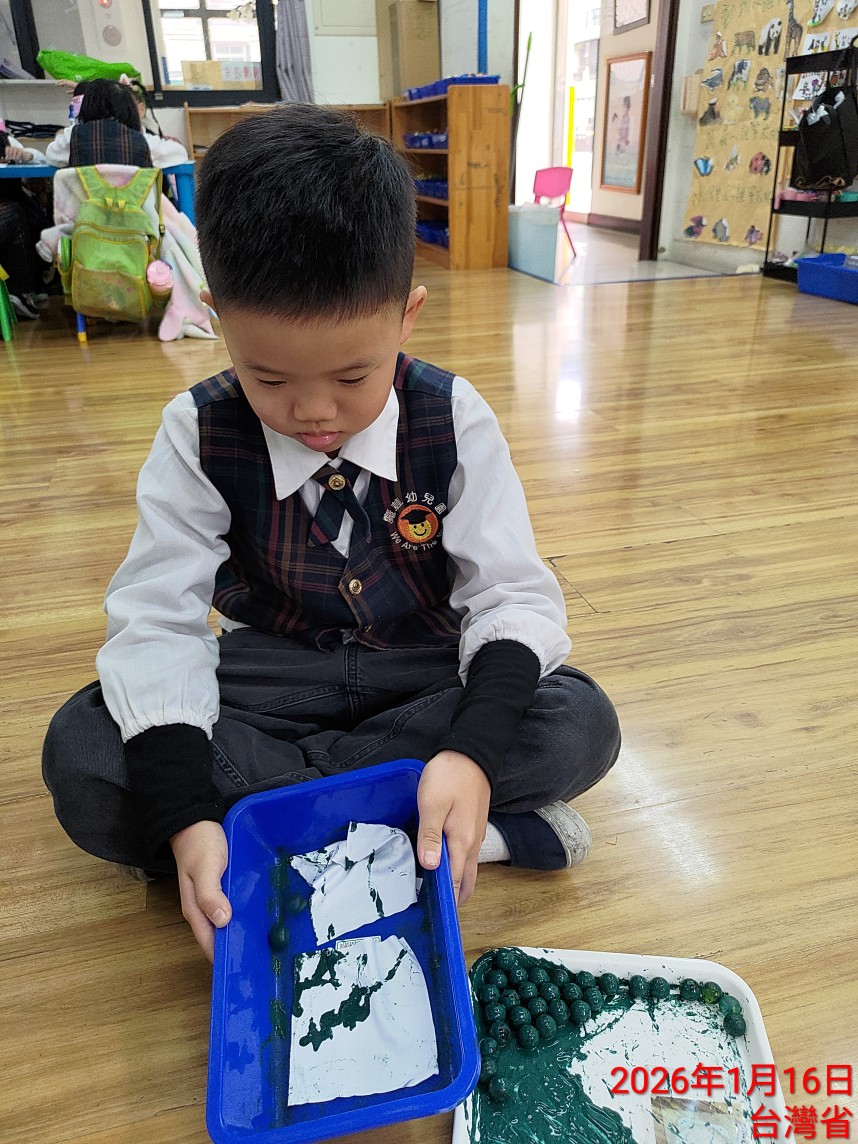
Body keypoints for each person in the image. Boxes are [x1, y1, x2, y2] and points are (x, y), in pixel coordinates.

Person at [43, 105, 620, 961]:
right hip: (274, 676)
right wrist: (187, 809)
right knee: (84, 751)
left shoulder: (453, 416)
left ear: (407, 317)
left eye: (354, 376)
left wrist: (468, 751)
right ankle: (464, 832)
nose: (314, 412)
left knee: (580, 720)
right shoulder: (195, 431)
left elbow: (509, 596)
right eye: (267, 377)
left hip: (417, 667)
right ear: (217, 317)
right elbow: (158, 621)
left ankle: (267, 831)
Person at [45, 78, 188, 169]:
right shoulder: (143, 140)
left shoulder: (73, 137)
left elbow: (51, 156)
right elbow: (180, 153)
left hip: (87, 208)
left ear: (87, 107)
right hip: (133, 208)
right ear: (129, 109)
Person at [0, 128, 48, 319]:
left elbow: (40, 159)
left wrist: (25, 155)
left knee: (25, 213)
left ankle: (23, 290)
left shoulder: (6, 142)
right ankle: (22, 290)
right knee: (16, 212)